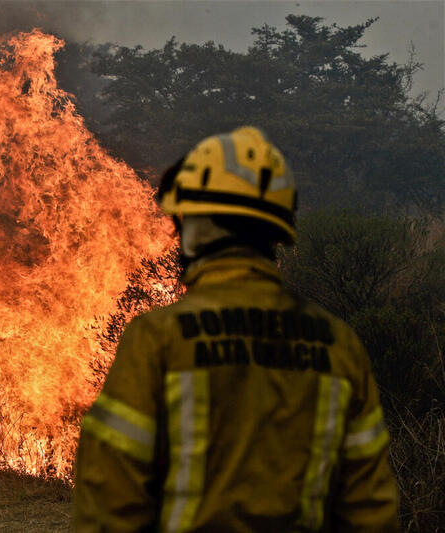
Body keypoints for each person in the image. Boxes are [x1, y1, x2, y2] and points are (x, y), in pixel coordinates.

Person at [72, 127, 400, 532]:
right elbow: (371, 509)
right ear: (277, 231)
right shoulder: (338, 345)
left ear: (196, 229)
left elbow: (110, 495)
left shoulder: (157, 338)